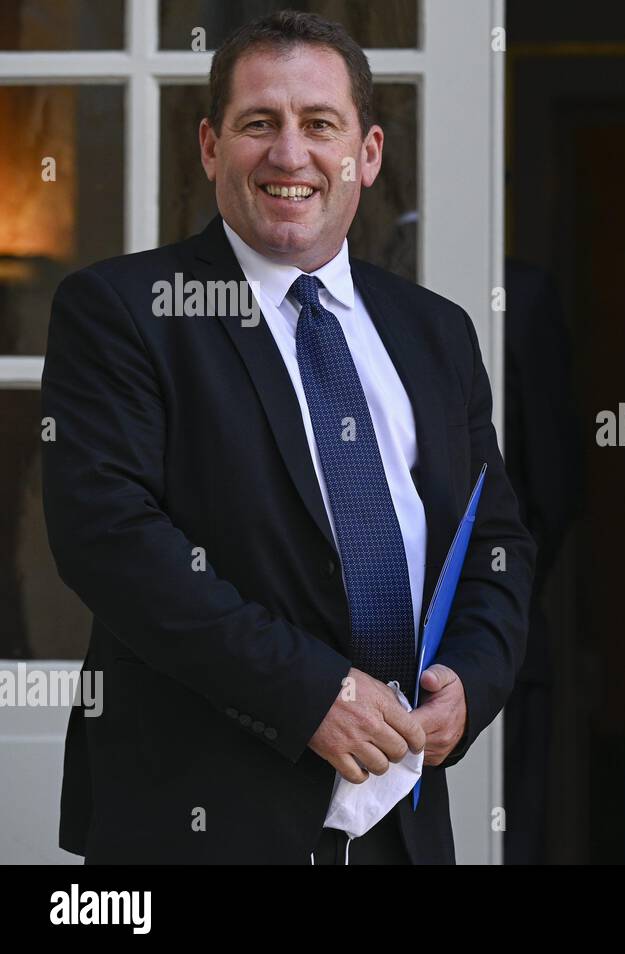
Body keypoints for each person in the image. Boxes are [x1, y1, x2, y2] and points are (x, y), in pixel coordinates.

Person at [41, 10, 534, 864]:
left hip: (402, 826)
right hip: (201, 821)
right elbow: (110, 542)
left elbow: (494, 540)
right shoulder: (124, 312)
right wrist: (310, 694)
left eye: (319, 124)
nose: (289, 154)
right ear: (209, 146)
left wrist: (473, 676)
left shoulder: (436, 333)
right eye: (258, 123)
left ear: (367, 154)